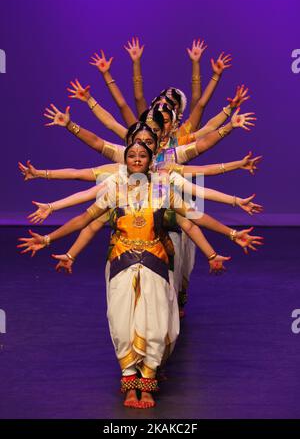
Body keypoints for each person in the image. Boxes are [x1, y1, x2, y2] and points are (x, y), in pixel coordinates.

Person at [17, 142, 263, 409]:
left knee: (155, 324)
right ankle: (129, 383)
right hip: (121, 264)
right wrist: (51, 240)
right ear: (125, 161)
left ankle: (147, 384)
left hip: (155, 264)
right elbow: (84, 223)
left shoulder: (163, 192)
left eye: (142, 155)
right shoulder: (114, 191)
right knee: (121, 324)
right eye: (132, 155)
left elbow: (195, 220)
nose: (137, 159)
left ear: (149, 161)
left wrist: (231, 235)